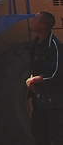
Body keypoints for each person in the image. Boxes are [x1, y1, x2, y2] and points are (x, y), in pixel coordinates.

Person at [26, 11, 63, 145]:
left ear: (42, 26)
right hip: (40, 99)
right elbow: (34, 66)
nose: (32, 21)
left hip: (53, 99)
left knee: (55, 134)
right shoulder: (36, 44)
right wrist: (33, 79)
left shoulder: (54, 46)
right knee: (38, 131)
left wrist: (36, 80)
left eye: (35, 19)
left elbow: (56, 72)